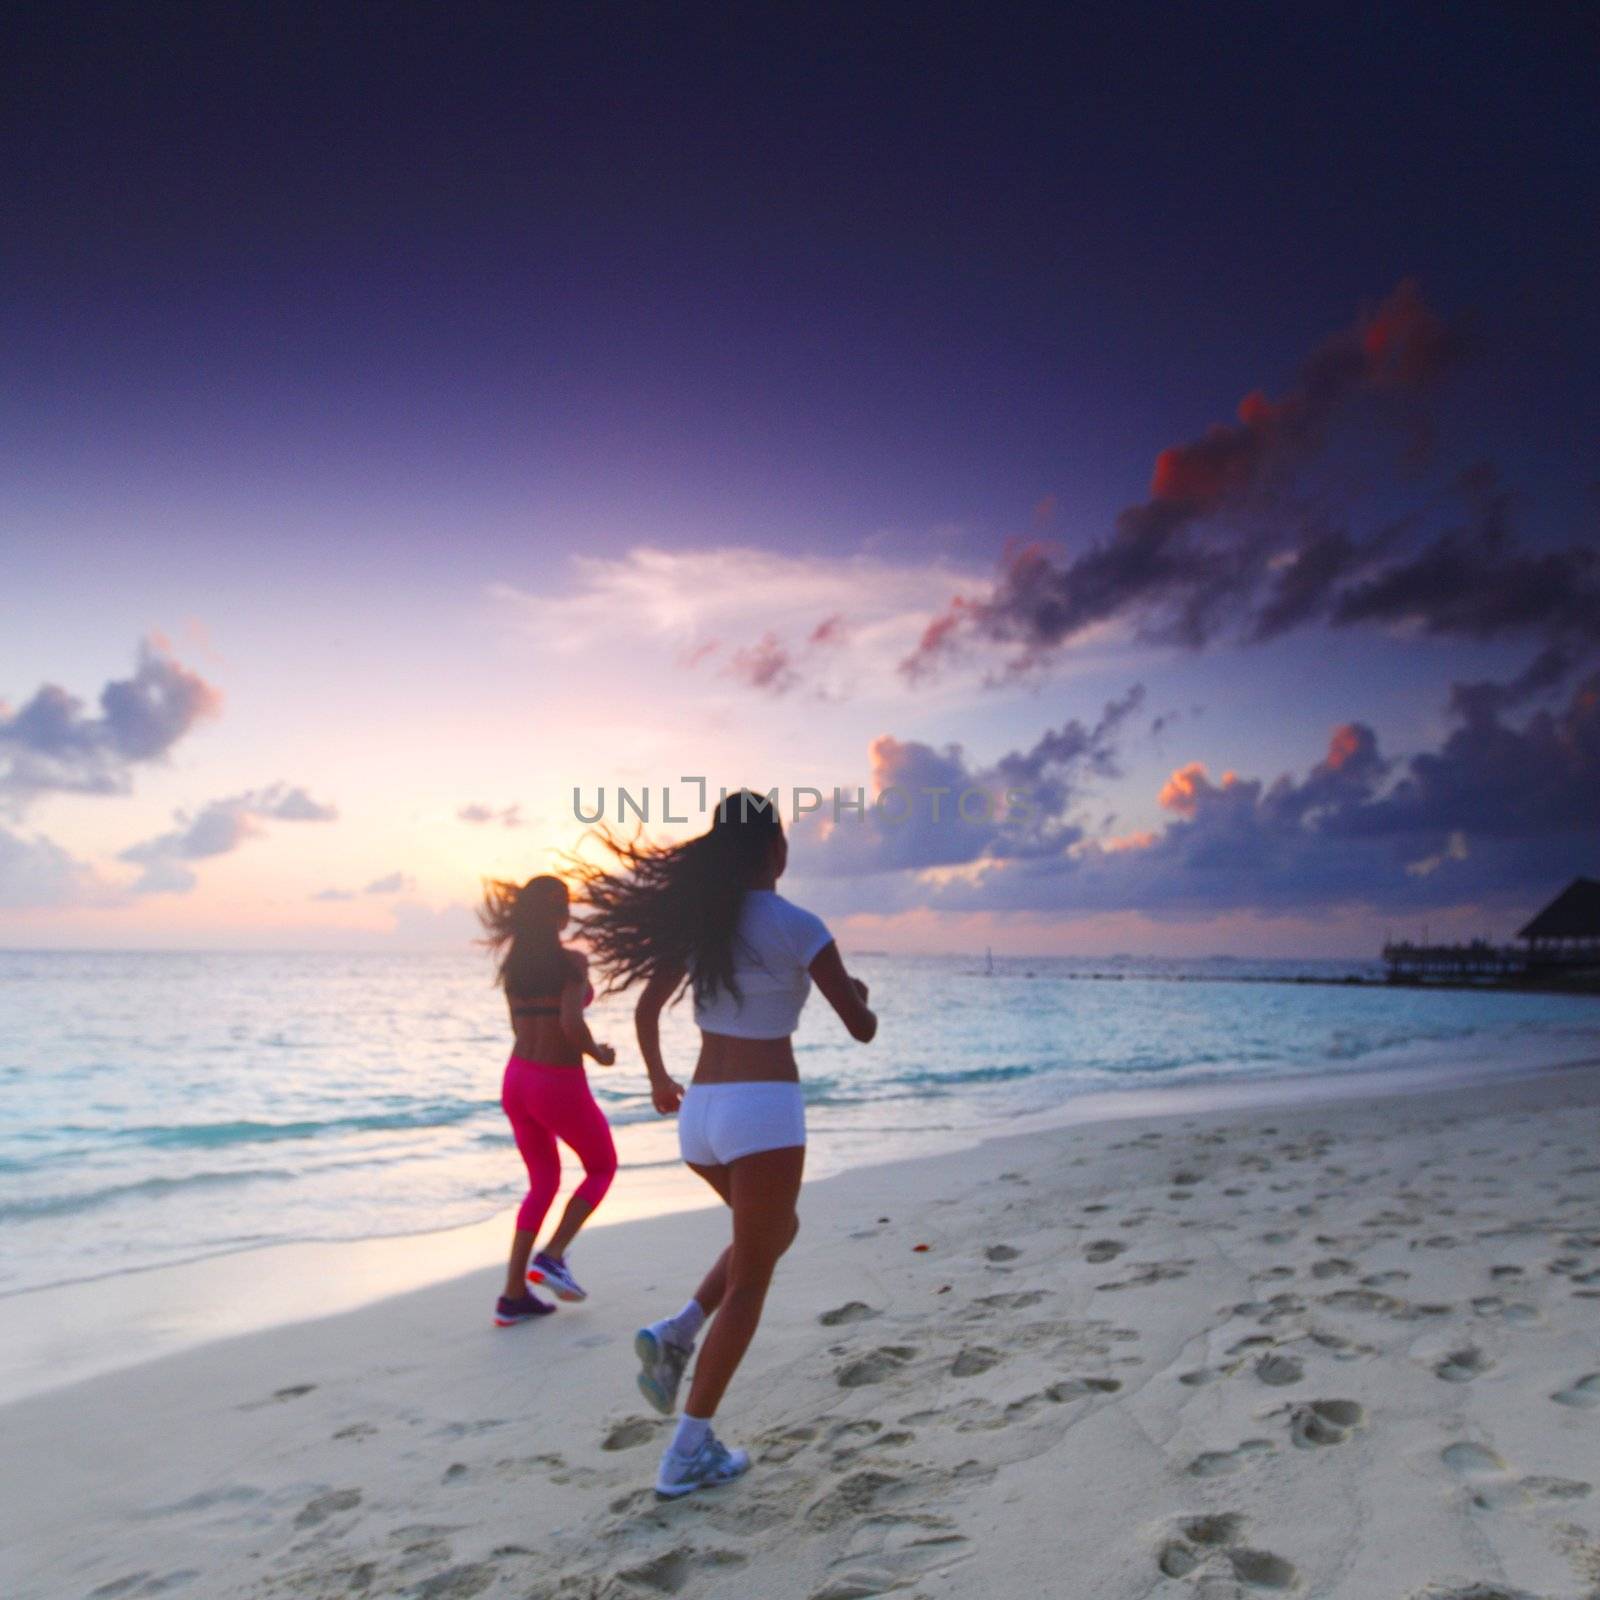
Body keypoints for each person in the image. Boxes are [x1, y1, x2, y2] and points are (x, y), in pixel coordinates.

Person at [579, 791, 877, 1498]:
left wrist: (657, 1078)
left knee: (773, 1234)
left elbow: (649, 1010)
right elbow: (860, 1026)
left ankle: (680, 1330)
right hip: (765, 1111)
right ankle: (687, 1452)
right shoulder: (799, 926)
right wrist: (857, 991)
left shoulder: (704, 928)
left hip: (701, 1117)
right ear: (776, 849)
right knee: (753, 1282)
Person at [479, 874, 617, 1327]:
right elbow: (571, 1024)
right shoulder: (571, 964)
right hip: (557, 1082)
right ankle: (553, 1256)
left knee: (542, 1182)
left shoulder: (513, 969)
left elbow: (520, 1028)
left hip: (516, 1079)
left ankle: (512, 1296)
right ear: (561, 914)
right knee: (601, 1166)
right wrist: (598, 1053)